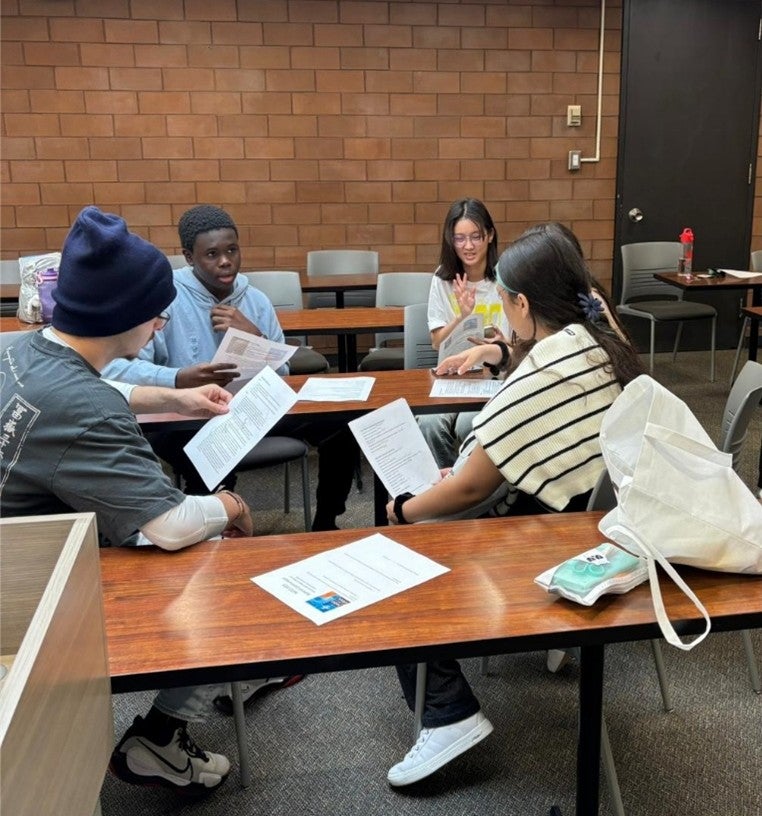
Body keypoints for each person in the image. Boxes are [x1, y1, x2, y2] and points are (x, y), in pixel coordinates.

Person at [0, 206, 264, 795]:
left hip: (20, 558)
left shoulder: (17, 351)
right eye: (154, 310)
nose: (162, 320)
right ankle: (161, 737)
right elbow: (167, 525)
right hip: (35, 596)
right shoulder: (84, 408)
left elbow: (95, 386)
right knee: (223, 559)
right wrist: (231, 507)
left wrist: (176, 400)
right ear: (125, 318)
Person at [383, 222, 644, 787]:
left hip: (541, 542)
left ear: (523, 303)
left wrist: (405, 510)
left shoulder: (544, 375)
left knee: (401, 557)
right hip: (594, 527)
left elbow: (474, 488)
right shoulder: (601, 344)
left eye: (505, 301)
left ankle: (447, 714)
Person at [102, 204, 358, 532]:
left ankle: (326, 523)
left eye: (232, 250)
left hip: (251, 411)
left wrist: (255, 337)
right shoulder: (163, 300)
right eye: (211, 254)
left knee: (343, 423)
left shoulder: (256, 301)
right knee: (212, 452)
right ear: (189, 257)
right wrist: (179, 378)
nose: (225, 261)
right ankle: (209, 531)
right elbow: (117, 370)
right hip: (181, 417)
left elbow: (282, 377)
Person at [418, 198, 511, 468]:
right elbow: (437, 342)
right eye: (460, 239)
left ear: (490, 236)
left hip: (493, 376)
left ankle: (465, 490)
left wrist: (503, 345)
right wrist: (462, 315)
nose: (468, 246)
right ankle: (449, 486)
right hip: (452, 376)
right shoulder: (443, 278)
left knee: (467, 426)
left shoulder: (505, 277)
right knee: (429, 423)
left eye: (475, 237)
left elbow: (520, 341)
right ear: (450, 239)